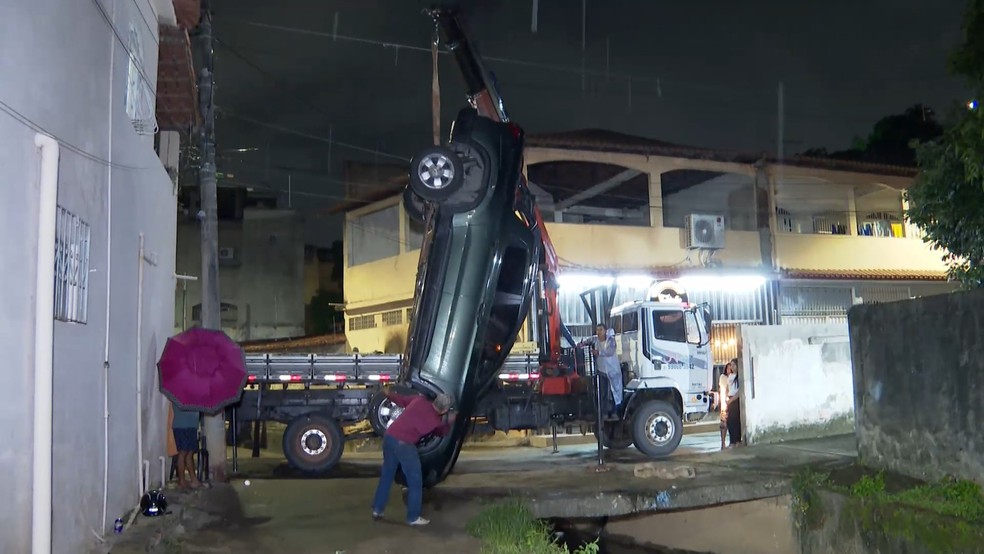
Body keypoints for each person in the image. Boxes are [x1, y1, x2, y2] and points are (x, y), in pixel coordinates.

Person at [371, 389, 455, 526]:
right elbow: (442, 432)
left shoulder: (419, 400)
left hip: (389, 437)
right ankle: (413, 517)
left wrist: (389, 394)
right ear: (445, 410)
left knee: (387, 474)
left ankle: (377, 509)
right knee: (415, 481)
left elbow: (401, 400)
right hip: (404, 445)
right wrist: (449, 422)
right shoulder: (434, 421)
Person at [577, 324, 622, 417]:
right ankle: (604, 413)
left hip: (612, 371)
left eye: (601, 330)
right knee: (603, 393)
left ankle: (614, 412)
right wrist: (582, 344)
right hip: (602, 371)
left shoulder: (611, 341)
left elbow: (610, 352)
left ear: (605, 331)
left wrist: (598, 352)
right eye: (597, 330)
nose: (598, 332)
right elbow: (588, 340)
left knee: (614, 392)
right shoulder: (595, 339)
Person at [171, 402, 201, 489]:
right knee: (183, 452)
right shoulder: (178, 393)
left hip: (192, 425)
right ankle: (182, 480)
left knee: (190, 453)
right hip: (182, 425)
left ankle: (193, 479)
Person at [712, 362, 732, 450]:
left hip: (730, 401)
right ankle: (723, 442)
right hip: (725, 402)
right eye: (728, 368)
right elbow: (724, 389)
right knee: (723, 423)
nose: (729, 370)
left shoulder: (734, 377)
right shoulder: (723, 378)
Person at [725, 358, 743, 447]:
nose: (732, 367)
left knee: (735, 420)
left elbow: (739, 391)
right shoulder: (730, 376)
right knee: (729, 421)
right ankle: (732, 440)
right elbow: (728, 388)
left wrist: (731, 400)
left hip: (735, 400)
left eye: (733, 365)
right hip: (730, 398)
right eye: (731, 365)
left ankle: (737, 440)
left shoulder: (739, 376)